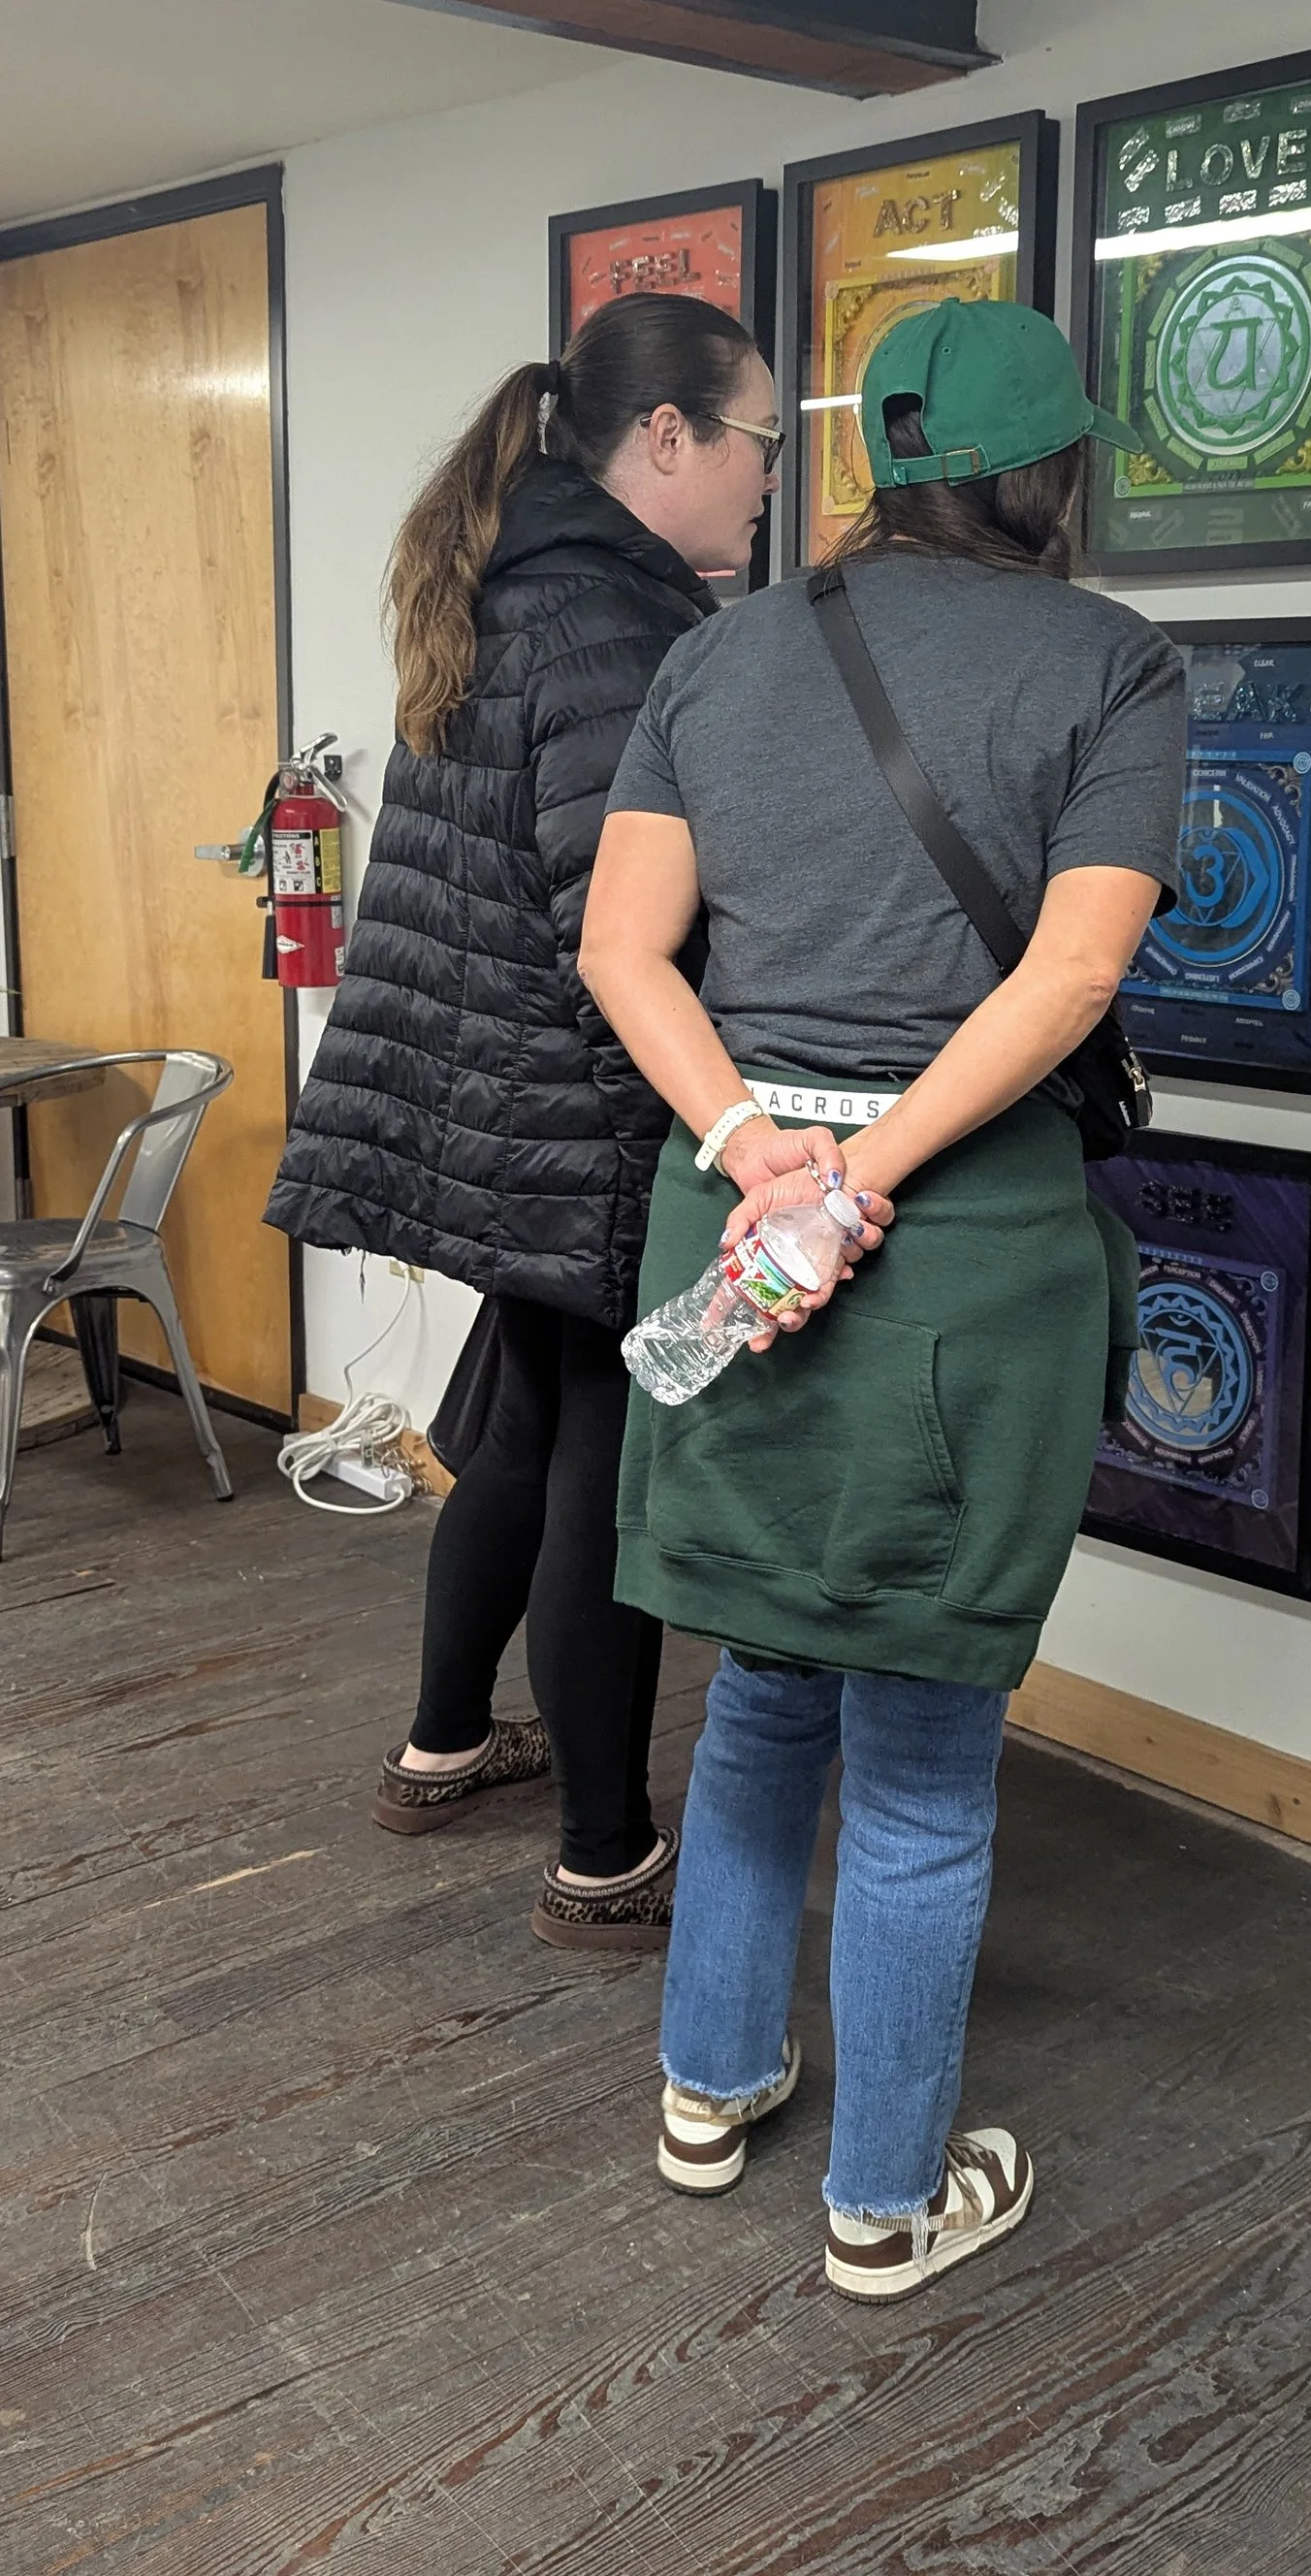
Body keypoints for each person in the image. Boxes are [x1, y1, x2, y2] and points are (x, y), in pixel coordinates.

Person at [581, 298, 1187, 2295]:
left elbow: (624, 949)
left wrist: (762, 1149)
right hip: (961, 1234)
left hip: (736, 1227)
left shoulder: (723, 646)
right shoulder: (1112, 661)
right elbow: (1071, 980)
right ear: (1047, 470)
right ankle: (885, 2200)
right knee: (924, 1741)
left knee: (762, 1674)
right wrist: (873, 1169)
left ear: (878, 463)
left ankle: (707, 2082)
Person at [267, 291, 783, 1948]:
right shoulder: (618, 626)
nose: (770, 479)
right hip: (574, 1112)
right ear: (668, 439)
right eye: (760, 441)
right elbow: (608, 918)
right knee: (597, 1470)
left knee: (515, 1427)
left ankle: (437, 1747)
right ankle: (607, 1851)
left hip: (485, 1102)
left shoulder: (513, 578)